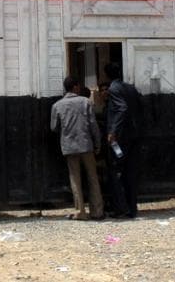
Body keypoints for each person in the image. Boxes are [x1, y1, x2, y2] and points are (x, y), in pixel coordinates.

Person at [50, 76, 104, 220]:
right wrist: (97, 143)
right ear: (75, 87)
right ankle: (97, 211)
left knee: (75, 179)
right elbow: (93, 125)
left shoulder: (57, 106)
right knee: (92, 177)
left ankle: (80, 211)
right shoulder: (86, 102)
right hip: (86, 144)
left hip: (69, 146)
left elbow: (54, 127)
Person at [104, 62, 143, 218]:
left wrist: (113, 132)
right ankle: (132, 208)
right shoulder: (131, 88)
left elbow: (122, 108)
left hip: (120, 139)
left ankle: (120, 208)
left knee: (115, 172)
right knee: (130, 173)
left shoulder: (113, 89)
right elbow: (140, 107)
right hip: (134, 136)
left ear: (106, 75)